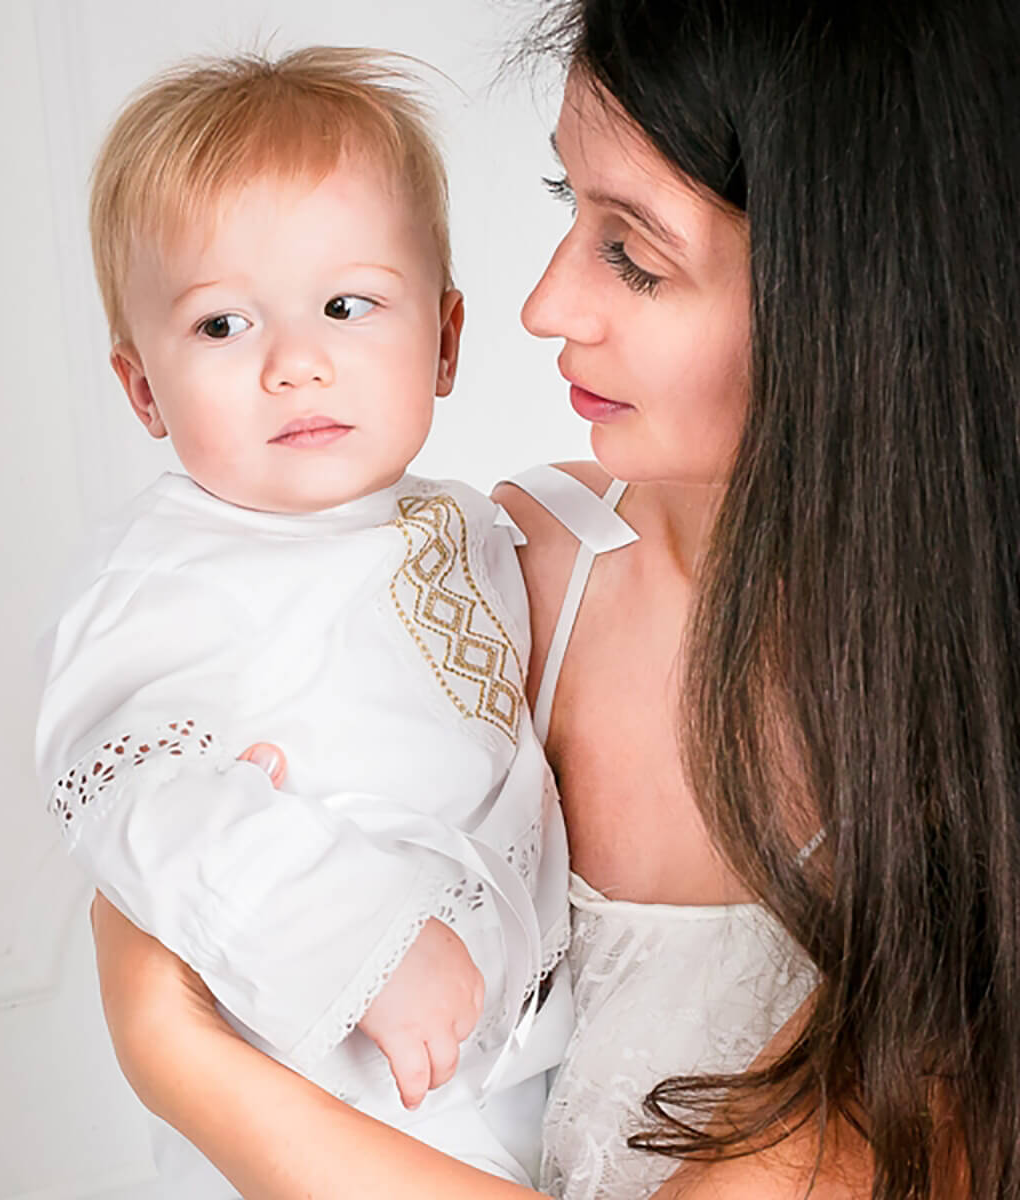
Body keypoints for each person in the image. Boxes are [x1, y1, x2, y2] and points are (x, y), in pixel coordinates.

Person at [87, 0, 1020, 1196]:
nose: (543, 305)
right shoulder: (491, 574)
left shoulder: (966, 723)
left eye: (633, 251)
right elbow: (164, 795)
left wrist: (175, 1055)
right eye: (564, 208)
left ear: (862, 295)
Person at [34, 48, 575, 1196]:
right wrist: (360, 937)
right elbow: (124, 788)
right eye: (223, 325)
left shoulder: (472, 528)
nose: (296, 363)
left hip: (517, 1066)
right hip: (333, 1073)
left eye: (347, 305)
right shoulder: (174, 575)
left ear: (443, 341)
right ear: (143, 390)